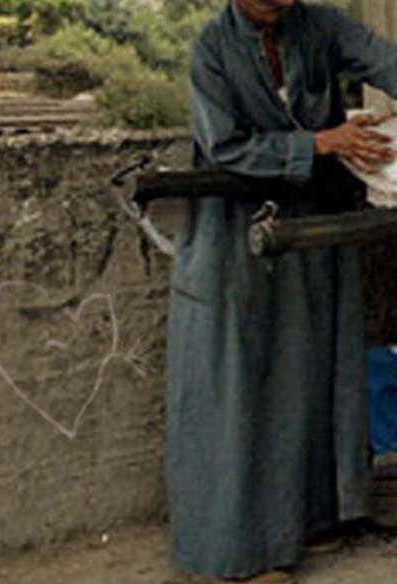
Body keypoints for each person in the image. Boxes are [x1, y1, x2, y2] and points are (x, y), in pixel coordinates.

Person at [166, 1, 397, 583]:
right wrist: (318, 145)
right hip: (233, 233)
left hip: (310, 226)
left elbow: (385, 61)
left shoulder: (320, 26)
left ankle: (310, 521)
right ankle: (236, 551)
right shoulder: (211, 49)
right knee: (239, 383)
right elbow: (224, 145)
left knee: (310, 371)